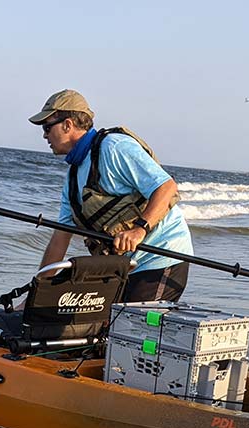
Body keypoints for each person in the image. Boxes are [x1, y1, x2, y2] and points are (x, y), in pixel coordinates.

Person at [30, 89, 192, 304]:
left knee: (132, 330)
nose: (44, 135)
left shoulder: (114, 148)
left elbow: (166, 187)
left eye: (47, 127)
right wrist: (36, 294)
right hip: (121, 268)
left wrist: (139, 230)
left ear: (68, 124)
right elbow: (61, 237)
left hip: (161, 257)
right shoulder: (73, 176)